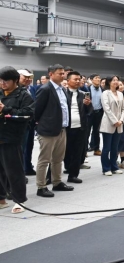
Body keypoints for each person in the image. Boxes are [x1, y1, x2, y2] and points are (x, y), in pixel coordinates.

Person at [35, 64, 74, 197]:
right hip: (48, 130)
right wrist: (42, 125)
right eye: (60, 73)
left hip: (62, 129)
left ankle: (57, 182)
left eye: (63, 73)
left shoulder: (62, 89)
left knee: (58, 159)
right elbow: (37, 110)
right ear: (51, 74)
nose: (63, 76)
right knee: (44, 160)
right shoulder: (45, 89)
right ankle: (41, 186)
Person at [0, 67, 34, 213]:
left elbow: (27, 114)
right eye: (0, 80)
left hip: (12, 138)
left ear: (15, 80)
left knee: (14, 171)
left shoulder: (24, 95)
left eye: (6, 81)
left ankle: (19, 200)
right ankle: (1, 199)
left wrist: (6, 109)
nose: (2, 83)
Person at [65, 71, 94, 184]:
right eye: (75, 79)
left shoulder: (83, 94)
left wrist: (88, 105)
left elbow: (89, 111)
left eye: (79, 79)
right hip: (66, 128)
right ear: (68, 81)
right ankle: (52, 176)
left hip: (80, 127)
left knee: (77, 153)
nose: (78, 81)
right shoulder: (63, 93)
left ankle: (73, 175)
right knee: (61, 152)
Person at [100, 76, 124, 176]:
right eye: (114, 80)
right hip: (109, 123)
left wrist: (121, 120)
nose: (116, 82)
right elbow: (106, 109)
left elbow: (123, 109)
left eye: (117, 80)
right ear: (109, 82)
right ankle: (106, 168)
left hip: (119, 124)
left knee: (115, 147)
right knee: (107, 148)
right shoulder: (105, 93)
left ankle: (114, 166)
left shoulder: (120, 94)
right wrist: (115, 121)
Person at [18, 69, 37, 176]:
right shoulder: (15, 91)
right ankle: (20, 172)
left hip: (30, 123)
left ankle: (27, 167)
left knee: (29, 146)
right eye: (25, 77)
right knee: (20, 149)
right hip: (20, 124)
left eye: (29, 77)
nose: (28, 79)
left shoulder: (31, 89)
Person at [88, 74, 103, 155]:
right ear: (91, 80)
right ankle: (84, 150)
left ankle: (96, 149)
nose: (98, 79)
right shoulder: (88, 89)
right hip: (89, 113)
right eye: (96, 78)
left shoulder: (102, 89)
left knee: (96, 131)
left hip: (98, 112)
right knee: (87, 132)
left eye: (99, 78)